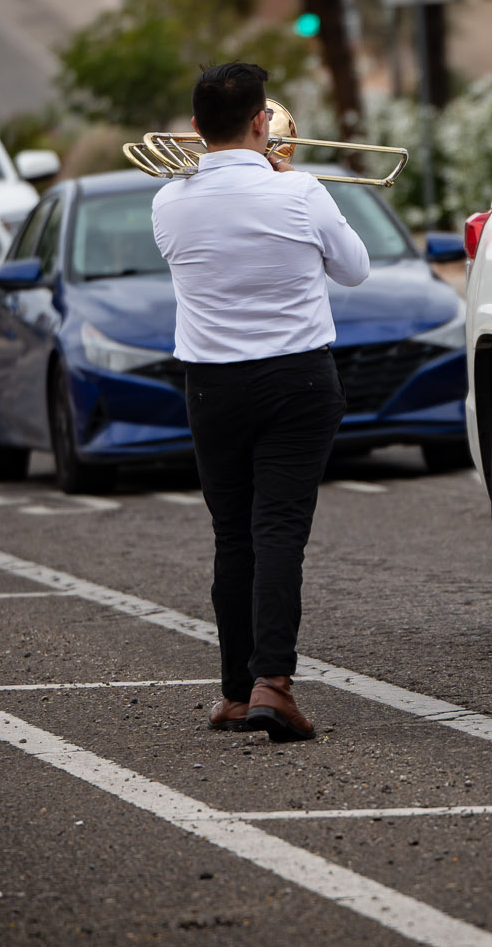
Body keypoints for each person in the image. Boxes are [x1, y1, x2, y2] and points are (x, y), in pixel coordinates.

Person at [151, 63, 370, 742]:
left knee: (232, 534)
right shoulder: (299, 190)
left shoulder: (168, 201)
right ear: (260, 123)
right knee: (278, 530)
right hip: (296, 380)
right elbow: (355, 268)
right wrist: (284, 181)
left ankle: (236, 692)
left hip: (211, 385)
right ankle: (273, 681)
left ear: (193, 129)